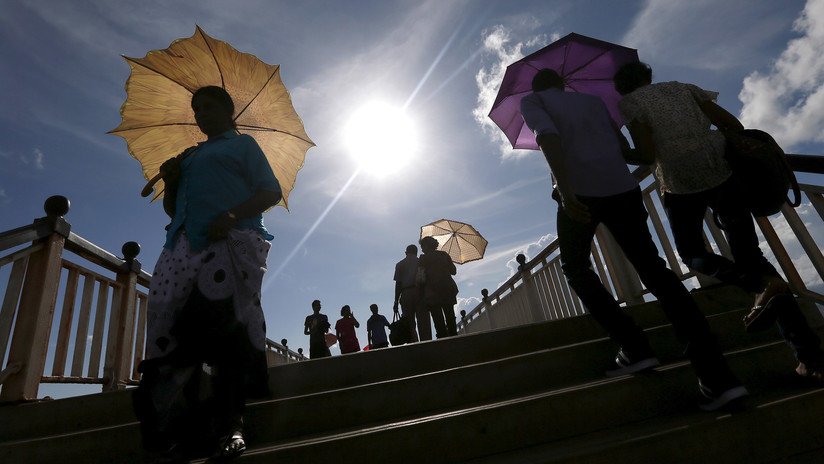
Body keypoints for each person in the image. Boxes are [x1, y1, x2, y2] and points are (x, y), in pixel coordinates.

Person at [519, 68, 747, 410]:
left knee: (576, 268)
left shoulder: (532, 101)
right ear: (563, 84)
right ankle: (719, 379)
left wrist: (565, 191)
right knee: (655, 271)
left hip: (580, 192)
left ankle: (635, 347)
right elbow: (622, 147)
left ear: (538, 88)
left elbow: (547, 137)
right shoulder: (593, 101)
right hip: (624, 190)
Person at [614, 61, 824, 381]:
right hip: (722, 172)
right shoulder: (683, 88)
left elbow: (644, 155)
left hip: (681, 181)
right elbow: (731, 124)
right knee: (753, 256)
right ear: (646, 76)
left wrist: (620, 150)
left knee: (690, 251)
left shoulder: (630, 103)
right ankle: (810, 358)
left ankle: (760, 286)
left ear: (622, 87)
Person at [135, 85, 281, 462]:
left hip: (229, 245)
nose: (201, 114)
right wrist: (171, 181)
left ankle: (231, 423)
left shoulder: (242, 145)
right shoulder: (189, 157)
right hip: (181, 249)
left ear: (228, 110)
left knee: (220, 329)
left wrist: (230, 216)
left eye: (209, 107)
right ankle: (189, 426)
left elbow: (270, 191)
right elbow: (174, 212)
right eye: (196, 109)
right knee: (175, 335)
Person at [417, 236, 459, 338]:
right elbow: (454, 271)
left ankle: (443, 346)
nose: (422, 249)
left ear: (426, 246)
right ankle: (456, 342)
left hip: (432, 294)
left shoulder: (423, 259)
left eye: (422, 246)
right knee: (450, 319)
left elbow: (420, 278)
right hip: (448, 290)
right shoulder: (444, 255)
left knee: (438, 322)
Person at [394, 244, 431, 341]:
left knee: (409, 324)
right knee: (424, 322)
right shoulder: (421, 262)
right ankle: (427, 344)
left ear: (406, 252)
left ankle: (414, 344)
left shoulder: (400, 264)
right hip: (420, 292)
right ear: (416, 252)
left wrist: (396, 301)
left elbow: (398, 284)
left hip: (406, 293)